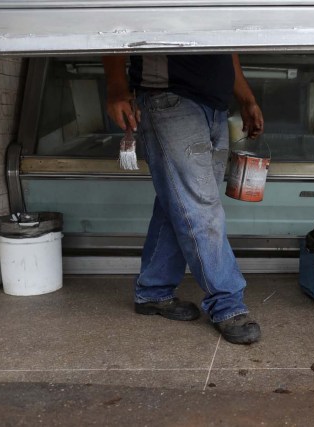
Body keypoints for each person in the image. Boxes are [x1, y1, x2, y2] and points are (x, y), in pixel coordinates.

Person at [102, 53, 264, 344]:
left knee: (178, 202)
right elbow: (115, 16)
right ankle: (227, 304)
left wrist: (246, 98)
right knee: (200, 207)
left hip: (215, 105)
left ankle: (153, 291)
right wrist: (116, 87)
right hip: (168, 98)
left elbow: (227, 48)